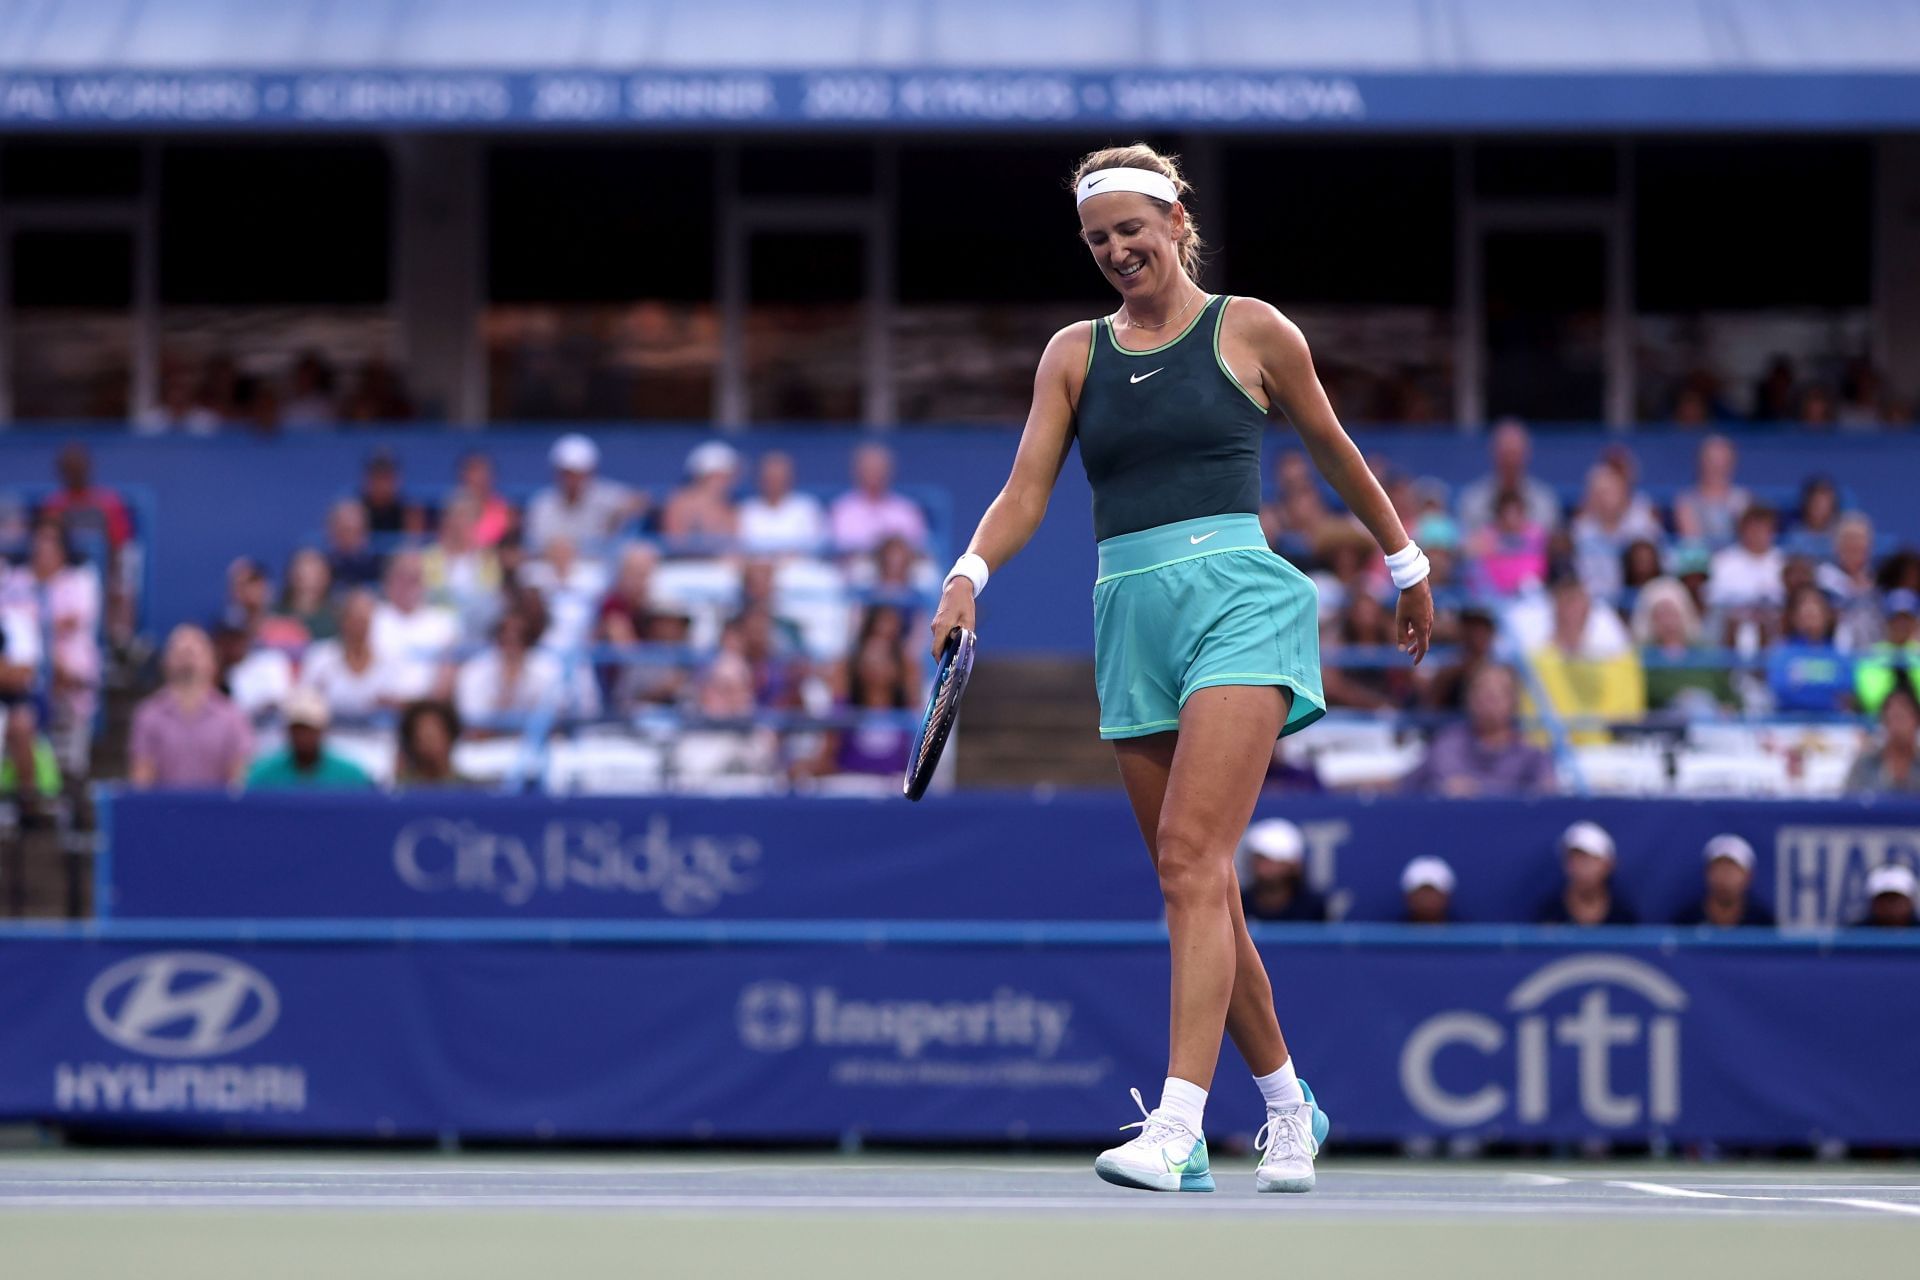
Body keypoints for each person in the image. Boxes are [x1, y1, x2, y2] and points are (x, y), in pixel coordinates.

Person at [925, 144, 1432, 1195]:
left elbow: (1334, 447)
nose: (1117, 250)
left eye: (1131, 230)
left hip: (1240, 598)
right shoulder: (1071, 353)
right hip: (1130, 613)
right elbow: (1027, 491)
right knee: (1194, 880)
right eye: (1098, 238)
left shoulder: (1251, 327)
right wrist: (968, 570)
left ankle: (1181, 1124)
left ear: (1174, 224)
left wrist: (1405, 560)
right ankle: (1291, 1108)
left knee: (1193, 856)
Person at [129, 625, 253, 789]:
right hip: (164, 811)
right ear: (165, 661)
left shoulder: (233, 717)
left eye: (194, 652)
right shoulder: (148, 715)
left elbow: (239, 780)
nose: (187, 657)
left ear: (212, 662)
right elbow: (141, 780)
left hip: (215, 811)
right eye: (179, 651)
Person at [1401, 665, 1554, 797]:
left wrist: (1480, 790)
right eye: (1481, 689)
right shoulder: (1446, 745)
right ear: (1469, 697)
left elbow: (1547, 796)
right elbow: (1407, 786)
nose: (1488, 697)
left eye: (1498, 692)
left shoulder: (1531, 752)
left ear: (1513, 701)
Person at [525, 434, 643, 553]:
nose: (572, 480)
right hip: (553, 567)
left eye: (578, 474)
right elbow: (535, 546)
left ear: (590, 473)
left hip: (598, 565)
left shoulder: (605, 495)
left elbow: (639, 501)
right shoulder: (542, 504)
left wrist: (616, 519)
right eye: (567, 473)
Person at [1631, 576, 1733, 714]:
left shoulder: (1706, 652)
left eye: (1672, 613)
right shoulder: (1641, 657)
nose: (1667, 622)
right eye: (1660, 615)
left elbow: (1730, 697)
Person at [300, 590, 405, 719]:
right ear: (343, 621)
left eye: (364, 620)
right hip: (330, 734)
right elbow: (303, 703)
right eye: (354, 619)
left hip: (378, 736)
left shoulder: (390, 660)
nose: (359, 626)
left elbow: (400, 703)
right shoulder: (320, 657)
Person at [370, 551, 460, 703]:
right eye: (402, 577)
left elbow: (448, 674)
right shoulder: (371, 617)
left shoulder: (443, 622)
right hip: (376, 706)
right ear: (387, 581)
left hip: (425, 710)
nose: (408, 584)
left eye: (415, 578)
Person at [245, 688, 375, 791]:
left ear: (322, 731)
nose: (303, 736)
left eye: (309, 729)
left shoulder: (351, 776)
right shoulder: (263, 774)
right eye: (297, 729)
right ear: (288, 731)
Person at [1457, 419, 1560, 534]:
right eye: (1505, 454)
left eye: (1515, 454)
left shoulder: (1545, 501)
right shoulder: (1472, 500)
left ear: (1527, 455)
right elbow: (1467, 543)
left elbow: (1549, 544)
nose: (1510, 461)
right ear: (1493, 454)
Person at [829, 443, 929, 557]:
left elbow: (918, 546)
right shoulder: (842, 509)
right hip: (856, 567)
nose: (874, 475)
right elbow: (840, 546)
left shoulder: (907, 510)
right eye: (868, 469)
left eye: (879, 469)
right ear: (857, 471)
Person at [1767, 586, 1852, 713]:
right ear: (1794, 617)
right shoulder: (1782, 654)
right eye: (1805, 608)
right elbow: (1780, 688)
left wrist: (1803, 684)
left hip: (1833, 725)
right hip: (1789, 723)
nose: (1811, 611)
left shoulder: (1840, 656)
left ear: (1828, 615)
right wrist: (1824, 686)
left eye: (1816, 607)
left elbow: (1846, 689)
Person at [1538, 820, 1636, 926]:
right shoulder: (1549, 914)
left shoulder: (1624, 917)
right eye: (1575, 859)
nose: (1582, 867)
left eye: (1590, 860)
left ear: (1608, 865)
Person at [1672, 834, 1774, 928]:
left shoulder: (1763, 922)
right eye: (1719, 868)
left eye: (1731, 870)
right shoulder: (1686, 921)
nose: (1724, 876)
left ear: (1748, 876)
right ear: (1706, 873)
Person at [1237, 819, 1328, 923]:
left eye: (1272, 859)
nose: (1264, 866)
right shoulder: (1238, 903)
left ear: (1293, 864)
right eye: (1259, 858)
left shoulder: (1315, 907)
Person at [739, 450, 827, 556]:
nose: (774, 483)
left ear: (790, 479)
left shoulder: (807, 506)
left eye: (779, 478)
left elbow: (818, 544)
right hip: (755, 566)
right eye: (769, 478)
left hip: (799, 564)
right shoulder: (746, 509)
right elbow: (739, 547)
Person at [661, 440, 743, 549]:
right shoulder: (679, 503)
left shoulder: (731, 507)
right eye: (721, 476)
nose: (729, 481)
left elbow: (734, 544)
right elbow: (675, 543)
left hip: (721, 564)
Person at [1672, 435, 1750, 546]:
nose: (1716, 468)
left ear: (1731, 465)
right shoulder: (1686, 500)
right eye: (1711, 461)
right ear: (1700, 463)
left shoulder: (1743, 499)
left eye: (1722, 462)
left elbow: (1746, 539)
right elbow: (1692, 541)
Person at [1852, 591, 1920, 716]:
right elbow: (1871, 700)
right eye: (1896, 619)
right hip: (1880, 724)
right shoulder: (1872, 655)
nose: (1901, 625)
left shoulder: (1917, 653)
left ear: (1915, 622)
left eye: (1906, 619)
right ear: (1886, 622)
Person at [1844, 685, 1920, 794]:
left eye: (1902, 718)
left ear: (1917, 720)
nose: (1898, 726)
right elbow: (1849, 805)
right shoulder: (1864, 764)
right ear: (1884, 722)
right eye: (1893, 718)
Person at [393, 699, 470, 788]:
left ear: (451, 736)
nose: (429, 742)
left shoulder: (467, 788)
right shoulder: (401, 788)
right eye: (423, 735)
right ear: (411, 740)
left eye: (434, 734)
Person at [1400, 856, 1455, 925]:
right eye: (1421, 891)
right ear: (1407, 897)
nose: (1426, 899)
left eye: (1432, 891)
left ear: (1446, 896)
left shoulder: (1464, 934)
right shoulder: (1392, 934)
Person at [1858, 864, 1916, 928]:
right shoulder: (1855, 932)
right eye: (1883, 899)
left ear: (1909, 902)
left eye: (1895, 899)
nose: (1890, 906)